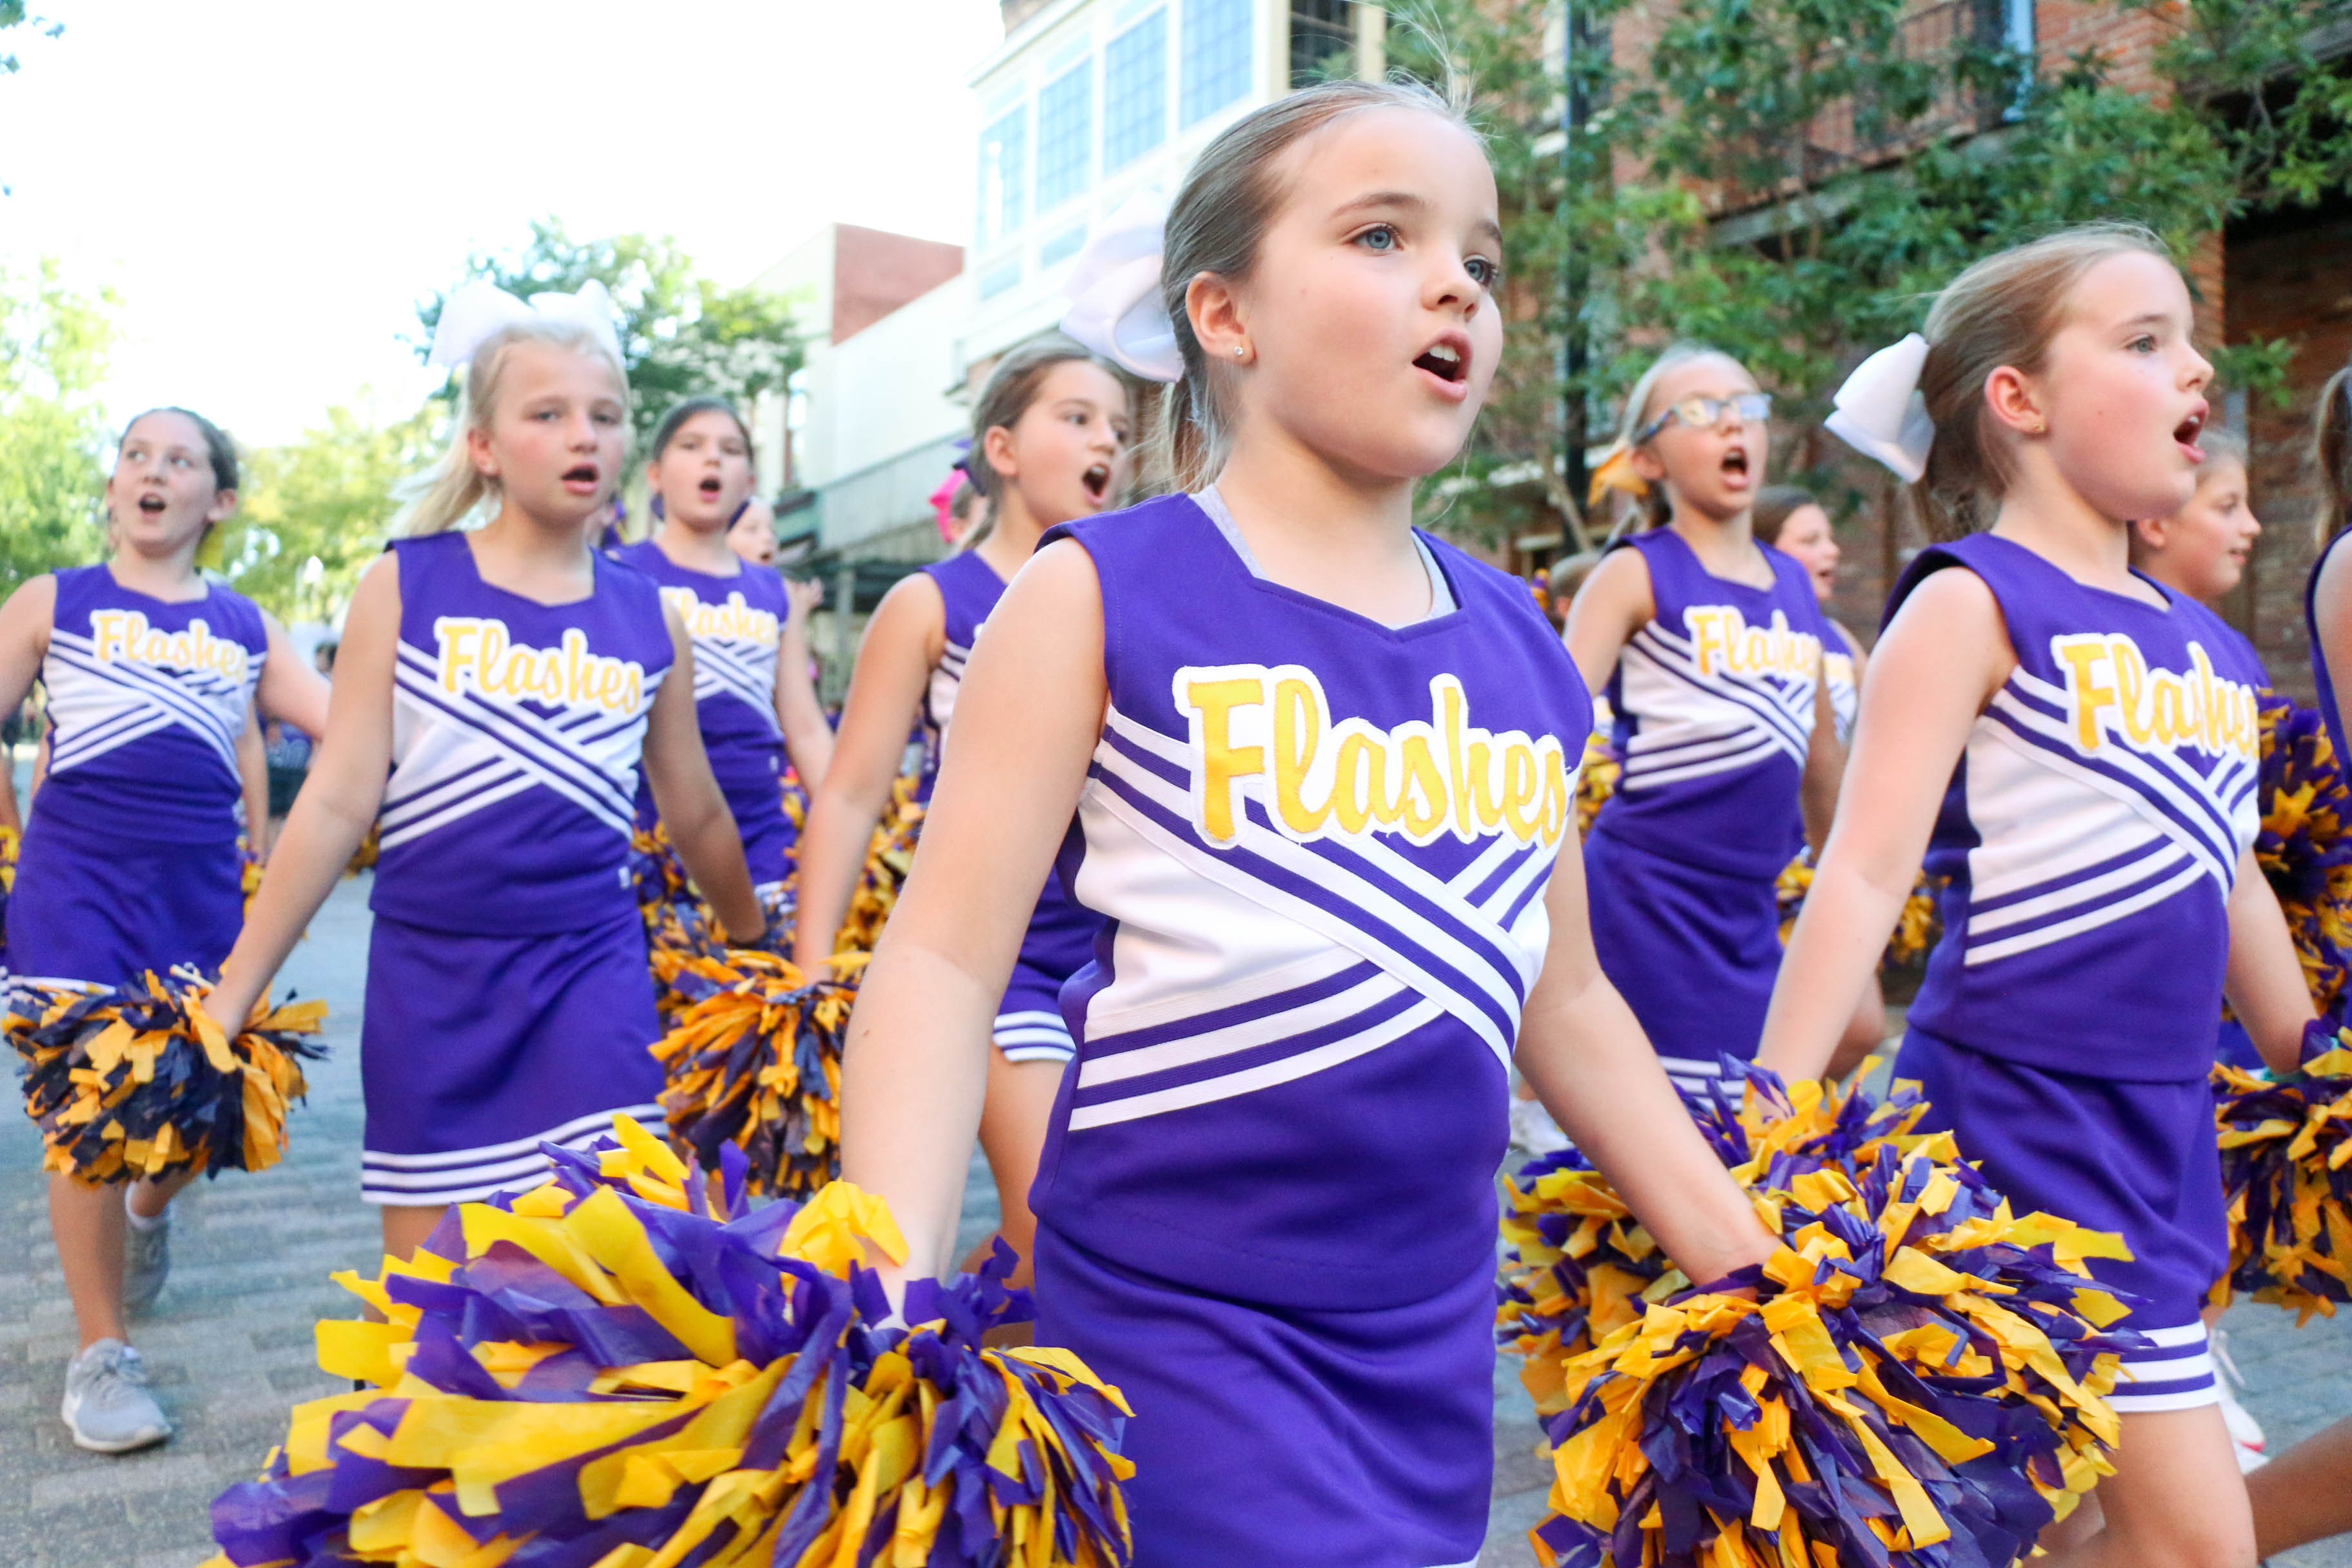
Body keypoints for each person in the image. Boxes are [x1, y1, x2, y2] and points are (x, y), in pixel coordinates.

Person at [838, 79, 1782, 1564]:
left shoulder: (1524, 643)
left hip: (1427, 1336)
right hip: (1172, 1321)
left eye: (1478, 251)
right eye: (1381, 235)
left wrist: (1758, 1275)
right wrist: (873, 1313)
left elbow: (1571, 997)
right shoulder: (1099, 592)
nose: (1455, 279)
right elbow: (946, 965)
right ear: (1226, 314)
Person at [1758, 224, 2314, 1568]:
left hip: (2164, 1129)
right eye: (2143, 341)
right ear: (2020, 401)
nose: (2197, 368)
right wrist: (1765, 1119)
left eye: (2188, 338)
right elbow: (1867, 867)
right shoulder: (1972, 600)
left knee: (2063, 1535)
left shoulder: (2210, 645)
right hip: (2014, 1126)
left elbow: (2224, 862)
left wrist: (2319, 1065)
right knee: (2193, 1545)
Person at [202, 282, 764, 1271]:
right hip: (434, 980)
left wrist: (761, 944)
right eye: (546, 415)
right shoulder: (407, 582)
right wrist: (233, 992)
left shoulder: (651, 617)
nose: (581, 435)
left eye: (603, 416)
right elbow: (337, 799)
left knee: (609, 1268)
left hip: (591, 970)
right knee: (436, 1293)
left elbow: (697, 808)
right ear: (486, 447)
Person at [794, 335, 1130, 1284]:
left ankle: (967, 1372)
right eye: (1075, 417)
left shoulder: (1128, 594)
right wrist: (814, 968)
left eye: (1115, 424)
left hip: (1121, 966)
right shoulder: (931, 601)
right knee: (1052, 1229)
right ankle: (919, 1381)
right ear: (1003, 448)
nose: (1105, 438)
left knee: (1082, 1257)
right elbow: (855, 789)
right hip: (998, 961)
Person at [0, 408, 269, 1453]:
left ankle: (149, 1214)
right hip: (72, 890)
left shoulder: (245, 623)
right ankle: (99, 1352)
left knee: (196, 1104)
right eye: (136, 456)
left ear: (220, 499)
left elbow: (335, 727)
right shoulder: (52, 600)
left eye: (183, 459)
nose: (154, 471)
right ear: (115, 489)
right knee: (90, 1107)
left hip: (198, 895)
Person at [1560, 348, 1843, 1095]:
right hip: (1647, 901)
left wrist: (1846, 904)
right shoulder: (1633, 571)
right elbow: (1541, 738)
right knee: (1670, 1140)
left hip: (1750, 909)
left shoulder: (1792, 584)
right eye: (1698, 411)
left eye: (1746, 406)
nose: (1730, 424)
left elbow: (1820, 758)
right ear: (1648, 457)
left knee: (1753, 1129)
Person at [612, 399, 833, 915]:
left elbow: (803, 725)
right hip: (643, 830)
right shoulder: (618, 573)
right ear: (656, 475)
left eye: (730, 450)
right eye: (691, 446)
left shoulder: (771, 589)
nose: (712, 459)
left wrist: (853, 819)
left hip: (760, 833)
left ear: (749, 479)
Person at [1752, 484, 1886, 1080]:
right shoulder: (1747, 633)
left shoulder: (1842, 641)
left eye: (1828, 536)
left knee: (1857, 1026)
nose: (1831, 549)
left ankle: (1785, 1138)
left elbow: (1875, 740)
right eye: (1809, 539)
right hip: (1768, 863)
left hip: (1833, 858)